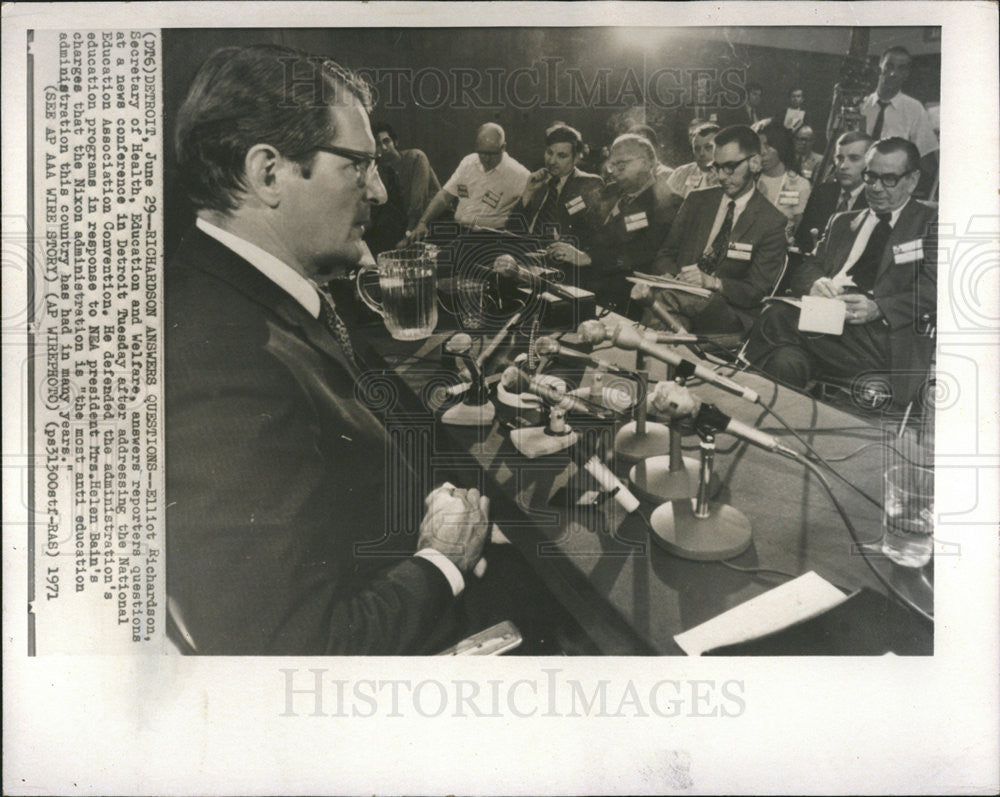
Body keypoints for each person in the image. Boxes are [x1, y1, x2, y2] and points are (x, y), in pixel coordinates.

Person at [166, 45, 491, 654]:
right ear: (268, 174)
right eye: (358, 166)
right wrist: (443, 560)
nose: (380, 193)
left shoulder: (252, 292)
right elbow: (292, 647)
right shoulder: (223, 365)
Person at [744, 138, 937, 409]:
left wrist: (879, 308)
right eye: (870, 176)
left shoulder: (931, 223)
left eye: (889, 179)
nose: (876, 187)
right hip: (827, 323)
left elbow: (935, 289)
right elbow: (806, 269)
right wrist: (816, 283)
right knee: (785, 361)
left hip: (881, 335)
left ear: (913, 179)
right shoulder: (842, 221)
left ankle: (739, 383)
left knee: (776, 315)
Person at [649, 125, 788, 335]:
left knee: (657, 301)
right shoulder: (697, 201)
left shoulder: (771, 222)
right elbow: (665, 255)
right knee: (671, 320)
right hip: (679, 298)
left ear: (755, 163)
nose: (722, 176)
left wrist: (713, 282)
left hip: (729, 314)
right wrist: (674, 276)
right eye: (717, 167)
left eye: (730, 167)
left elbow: (756, 292)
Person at [546, 133, 681, 313]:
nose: (614, 171)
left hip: (623, 291)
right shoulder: (611, 190)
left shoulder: (667, 202)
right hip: (587, 279)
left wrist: (588, 258)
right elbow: (586, 228)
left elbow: (643, 252)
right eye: (612, 165)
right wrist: (566, 246)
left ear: (646, 163)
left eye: (621, 165)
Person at [409, 122, 529, 238]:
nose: (486, 159)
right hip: (459, 230)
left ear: (503, 147)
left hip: (489, 236)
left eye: (492, 154)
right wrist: (423, 223)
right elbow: (445, 196)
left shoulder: (517, 173)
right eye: (482, 153)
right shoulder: (469, 162)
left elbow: (535, 205)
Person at [506, 123, 603, 246]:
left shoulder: (589, 184)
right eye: (549, 153)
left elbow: (588, 235)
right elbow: (511, 228)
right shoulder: (539, 182)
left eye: (561, 156)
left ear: (576, 158)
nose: (552, 161)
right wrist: (528, 192)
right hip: (524, 249)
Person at [859, 46, 938, 192]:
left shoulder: (914, 109)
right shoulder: (862, 105)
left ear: (907, 74)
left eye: (901, 68)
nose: (893, 73)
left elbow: (926, 158)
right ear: (880, 67)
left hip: (890, 187)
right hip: (859, 183)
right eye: (889, 66)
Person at [793, 130, 871, 258]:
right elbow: (803, 240)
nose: (843, 166)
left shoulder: (875, 199)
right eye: (840, 158)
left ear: (870, 163)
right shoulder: (823, 192)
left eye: (854, 158)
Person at [368, 121, 440, 250]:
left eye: (387, 141)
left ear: (395, 142)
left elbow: (418, 202)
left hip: (431, 220)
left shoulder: (415, 157)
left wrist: (408, 235)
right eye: (378, 144)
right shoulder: (377, 170)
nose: (384, 148)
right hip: (404, 228)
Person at [754, 119, 812, 245]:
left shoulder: (799, 184)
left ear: (781, 146)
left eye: (768, 146)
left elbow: (797, 227)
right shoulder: (750, 181)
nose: (762, 152)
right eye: (758, 147)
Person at [665, 122, 721, 199]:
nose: (702, 153)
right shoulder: (680, 173)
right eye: (697, 149)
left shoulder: (729, 177)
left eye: (708, 147)